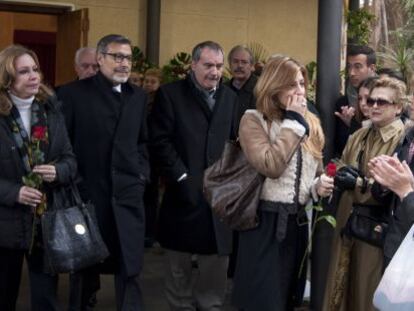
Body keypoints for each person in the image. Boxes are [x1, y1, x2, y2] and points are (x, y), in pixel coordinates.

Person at [232, 55, 334, 311]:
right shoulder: (253, 120)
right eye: (291, 84)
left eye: (301, 83)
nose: (299, 91)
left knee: (289, 297)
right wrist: (293, 122)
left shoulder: (311, 122)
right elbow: (272, 166)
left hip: (298, 223)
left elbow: (312, 174)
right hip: (264, 222)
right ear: (274, 86)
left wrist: (317, 186)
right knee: (263, 300)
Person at [57, 34, 149, 311]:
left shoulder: (138, 97)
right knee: (84, 272)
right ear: (100, 59)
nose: (124, 63)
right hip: (88, 197)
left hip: (128, 196)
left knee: (130, 267)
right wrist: (76, 186)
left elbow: (142, 142)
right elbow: (64, 146)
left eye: (128, 58)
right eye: (117, 57)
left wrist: (142, 174)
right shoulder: (72, 94)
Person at [149, 40, 238, 310]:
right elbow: (159, 142)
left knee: (213, 282)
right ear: (193, 64)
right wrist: (182, 178)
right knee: (179, 278)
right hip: (183, 197)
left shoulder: (230, 98)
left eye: (220, 66)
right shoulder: (170, 94)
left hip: (219, 199)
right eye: (208, 65)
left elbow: (236, 142)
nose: (215, 71)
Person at [0, 45, 77, 310]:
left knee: (46, 298)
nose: (34, 76)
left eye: (35, 69)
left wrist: (59, 171)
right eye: (23, 71)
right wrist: (14, 192)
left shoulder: (51, 110)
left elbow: (70, 160)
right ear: (7, 79)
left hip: (46, 220)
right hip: (5, 222)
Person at [323, 77, 407, 311]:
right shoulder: (359, 135)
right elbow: (338, 164)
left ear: (398, 107)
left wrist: (359, 182)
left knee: (367, 295)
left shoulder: (403, 140)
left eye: (383, 102)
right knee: (340, 293)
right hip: (347, 222)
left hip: (376, 230)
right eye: (371, 100)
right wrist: (337, 173)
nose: (374, 106)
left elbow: (390, 186)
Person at [334, 45, 376, 156]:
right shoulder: (343, 104)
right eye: (349, 67)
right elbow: (341, 148)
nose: (352, 73)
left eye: (357, 67)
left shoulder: (386, 100)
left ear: (372, 69)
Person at [226, 45, 257, 125]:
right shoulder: (222, 90)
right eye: (235, 61)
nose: (239, 65)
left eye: (244, 62)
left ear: (252, 66)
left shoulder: (261, 89)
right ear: (230, 64)